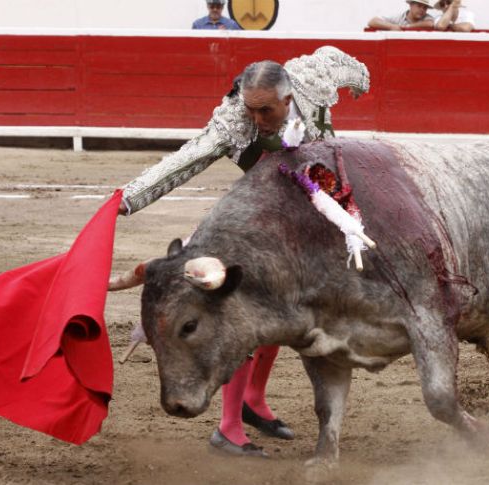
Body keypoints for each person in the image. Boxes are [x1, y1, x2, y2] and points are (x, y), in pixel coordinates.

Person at [114, 46, 370, 457]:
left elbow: (346, 66)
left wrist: (360, 86)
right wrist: (125, 200)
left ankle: (253, 401)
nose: (255, 119)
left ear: (288, 98)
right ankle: (228, 427)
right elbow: (185, 162)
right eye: (250, 110)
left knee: (283, 314)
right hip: (258, 224)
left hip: (308, 219)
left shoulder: (313, 80)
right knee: (244, 311)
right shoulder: (233, 120)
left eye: (264, 111)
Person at [367, 0, 435, 31]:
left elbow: (430, 24)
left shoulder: (427, 17)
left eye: (425, 8)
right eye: (419, 6)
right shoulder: (398, 17)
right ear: (411, 5)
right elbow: (372, 21)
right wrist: (392, 26)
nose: (422, 10)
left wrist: (406, 27)